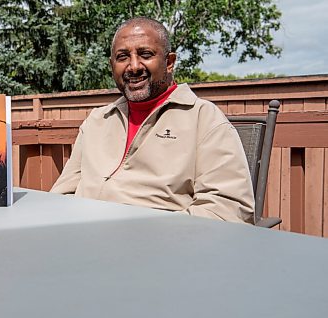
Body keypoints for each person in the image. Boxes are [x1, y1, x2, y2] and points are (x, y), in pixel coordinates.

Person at [50, 17, 254, 224]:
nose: (134, 66)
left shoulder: (203, 119)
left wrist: (146, 235)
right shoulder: (96, 121)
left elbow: (227, 210)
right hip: (83, 237)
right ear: (112, 66)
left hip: (159, 246)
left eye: (145, 54)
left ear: (169, 62)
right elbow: (61, 194)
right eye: (122, 57)